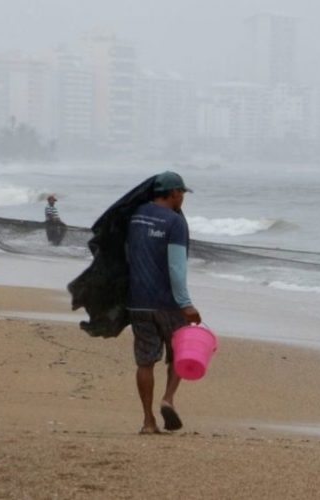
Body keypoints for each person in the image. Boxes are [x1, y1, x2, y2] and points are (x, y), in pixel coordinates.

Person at [126, 171, 201, 434]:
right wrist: (186, 303)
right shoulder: (175, 222)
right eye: (182, 193)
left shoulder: (134, 216)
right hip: (168, 303)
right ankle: (168, 399)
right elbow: (176, 267)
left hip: (137, 301)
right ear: (174, 193)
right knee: (180, 352)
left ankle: (148, 421)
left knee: (145, 362)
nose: (183, 199)